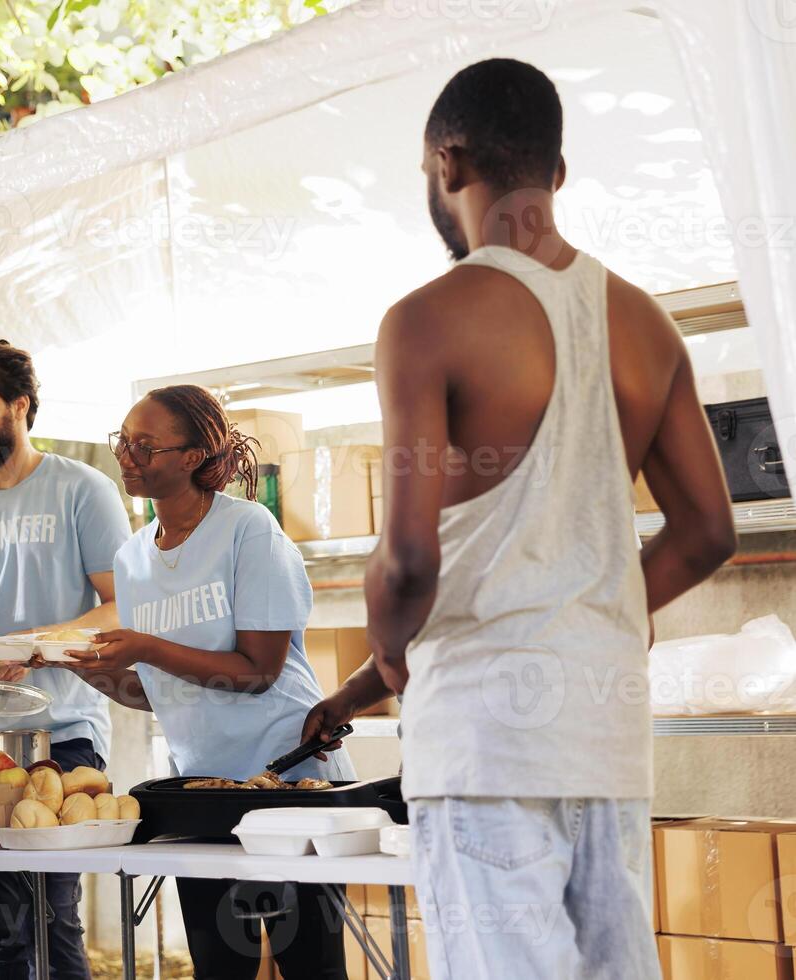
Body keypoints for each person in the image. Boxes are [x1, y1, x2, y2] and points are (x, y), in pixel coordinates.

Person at [307, 59, 737, 980]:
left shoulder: (429, 320)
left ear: (447, 162)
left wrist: (387, 648)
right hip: (606, 736)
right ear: (558, 174)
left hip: (486, 738)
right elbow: (708, 531)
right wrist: (606, 600)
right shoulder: (647, 326)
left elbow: (409, 556)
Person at [69, 385, 353, 980]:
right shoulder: (131, 558)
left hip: (290, 781)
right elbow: (157, 693)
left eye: (144, 446)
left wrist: (144, 645)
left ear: (193, 457)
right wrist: (94, 672)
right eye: (122, 441)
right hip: (202, 794)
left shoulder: (248, 529)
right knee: (219, 966)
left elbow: (257, 672)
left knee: (311, 968)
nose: (127, 456)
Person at [0, 340, 133, 980]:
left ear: (21, 404)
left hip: (63, 731)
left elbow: (122, 606)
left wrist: (43, 643)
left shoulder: (82, 490)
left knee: (51, 914)